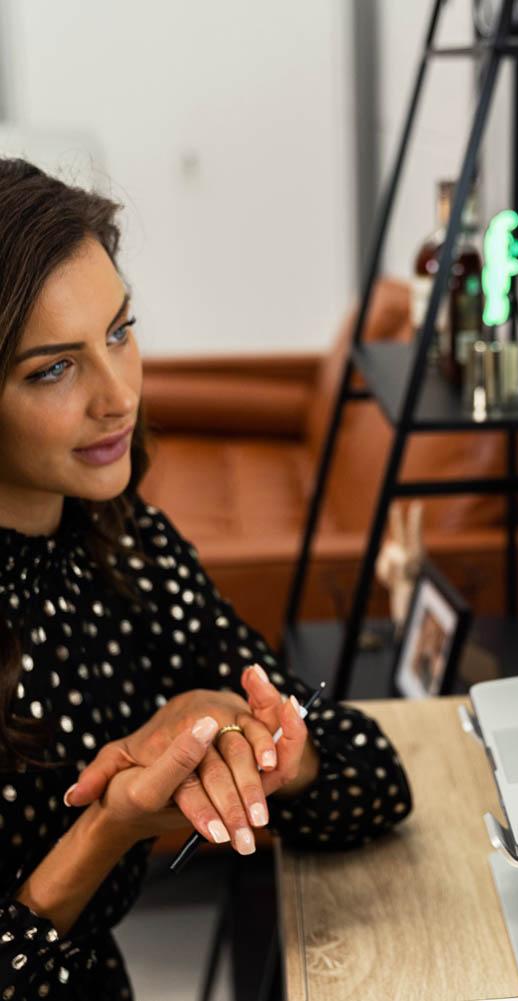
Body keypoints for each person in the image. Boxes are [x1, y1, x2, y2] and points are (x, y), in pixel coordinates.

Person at [0, 158, 413, 1000]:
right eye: (54, 368)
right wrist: (106, 832)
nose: (119, 396)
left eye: (119, 330)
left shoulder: (124, 546)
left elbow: (376, 776)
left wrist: (263, 750)